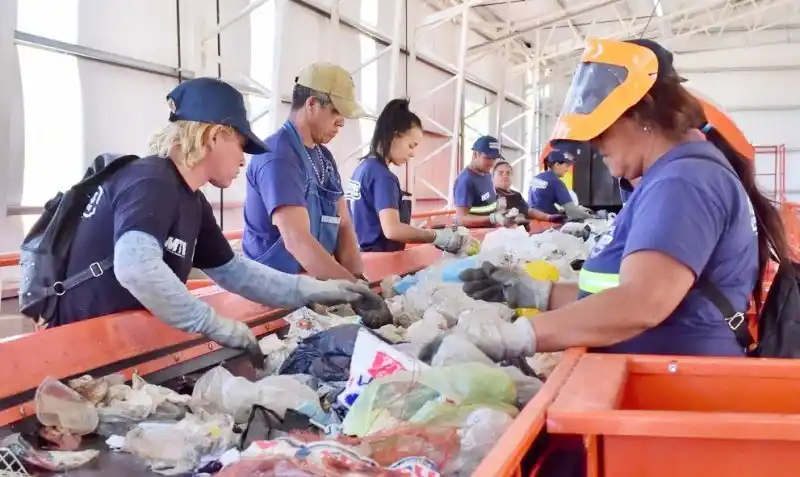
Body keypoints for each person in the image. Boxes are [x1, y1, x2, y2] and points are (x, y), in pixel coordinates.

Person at [456, 38, 788, 359]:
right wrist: (536, 293)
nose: (593, 142)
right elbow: (616, 294)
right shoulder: (677, 175)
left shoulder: (683, 181)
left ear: (642, 112)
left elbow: (640, 302)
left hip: (672, 392)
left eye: (602, 128)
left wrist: (516, 336)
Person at [56, 77, 373, 352]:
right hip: (76, 349)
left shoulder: (191, 202)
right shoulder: (151, 180)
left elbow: (237, 273)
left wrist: (321, 289)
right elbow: (136, 267)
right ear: (214, 135)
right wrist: (213, 323)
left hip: (116, 345)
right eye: (240, 144)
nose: (243, 161)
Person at [242, 62, 366, 280]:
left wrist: (358, 278)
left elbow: (344, 224)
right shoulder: (278, 156)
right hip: (273, 290)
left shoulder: (325, 158)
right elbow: (296, 239)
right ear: (312, 104)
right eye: (336, 112)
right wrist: (353, 290)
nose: (341, 123)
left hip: (314, 283)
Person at [347, 99, 467, 253]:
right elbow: (393, 230)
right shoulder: (383, 177)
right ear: (394, 136)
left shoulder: (362, 169)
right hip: (381, 260)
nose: (412, 153)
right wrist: (436, 236)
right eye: (411, 145)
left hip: (361, 257)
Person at [453, 135, 514, 227]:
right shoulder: (465, 181)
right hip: (475, 236)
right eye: (488, 158)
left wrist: (500, 207)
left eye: (494, 158)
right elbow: (461, 219)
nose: (492, 163)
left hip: (490, 231)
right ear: (475, 155)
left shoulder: (487, 173)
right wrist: (493, 218)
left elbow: (485, 200)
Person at [492, 160, 565, 227]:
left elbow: (529, 211)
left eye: (508, 172)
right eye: (500, 173)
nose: (505, 175)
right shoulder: (490, 194)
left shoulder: (517, 195)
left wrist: (549, 217)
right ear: (493, 177)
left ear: (512, 176)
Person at [528, 148, 593, 220]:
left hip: (531, 223)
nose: (566, 170)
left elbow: (540, 202)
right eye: (566, 166)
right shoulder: (556, 182)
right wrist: (594, 217)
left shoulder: (536, 178)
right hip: (546, 224)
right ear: (557, 165)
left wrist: (576, 209)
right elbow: (573, 213)